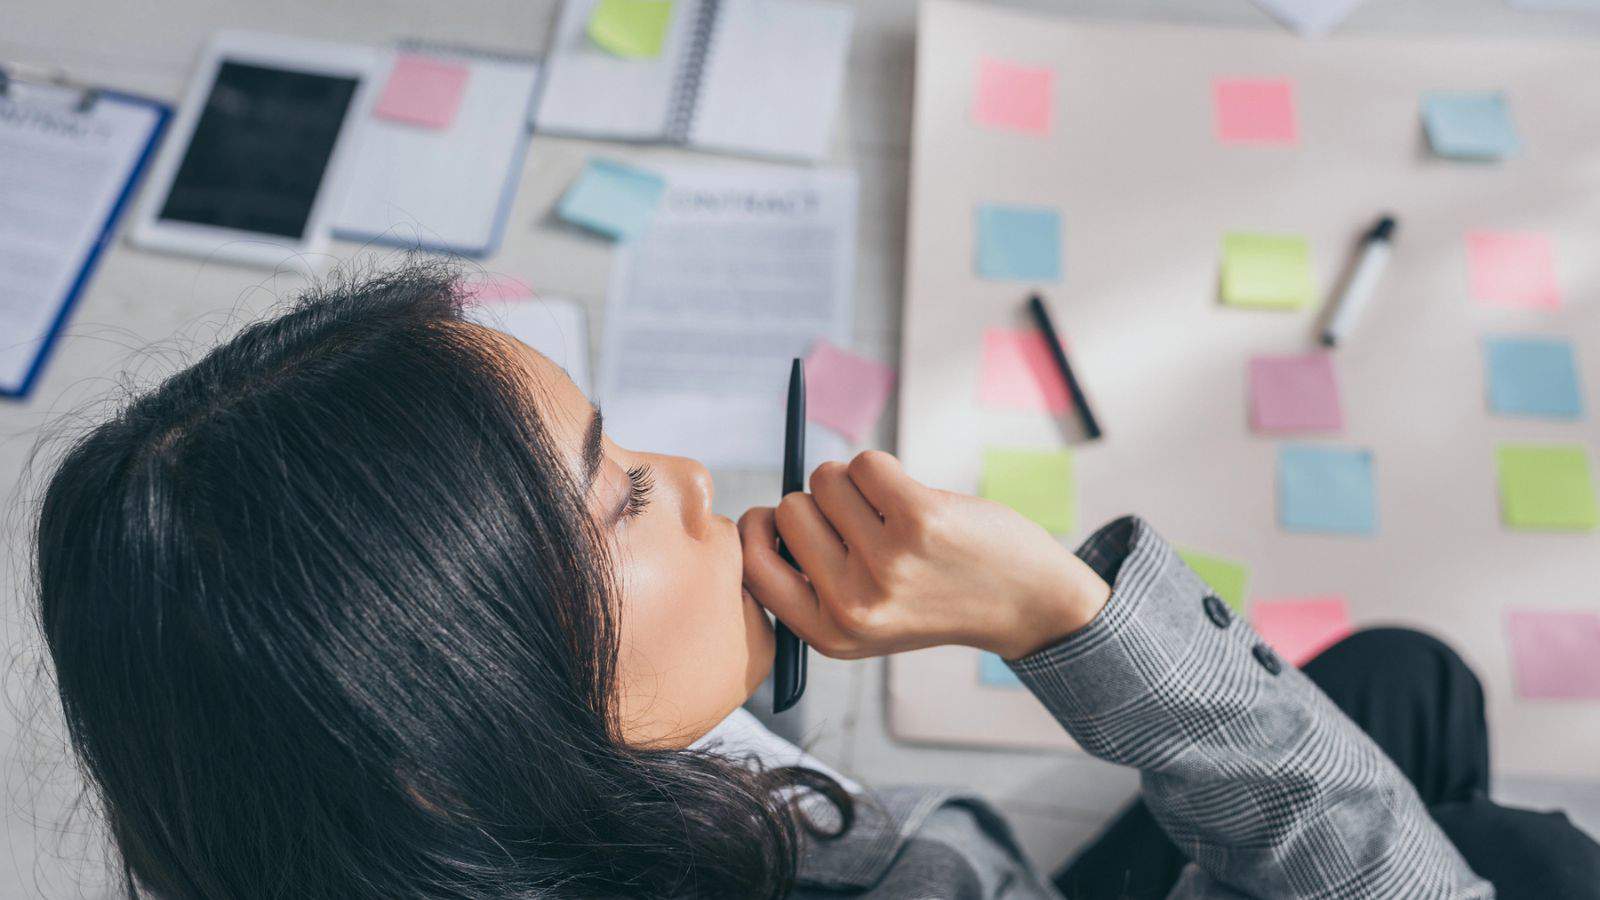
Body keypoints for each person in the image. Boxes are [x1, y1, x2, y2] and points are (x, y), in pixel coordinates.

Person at [28, 266, 1599, 899]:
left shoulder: (361, 820)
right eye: (627, 497)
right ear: (452, 723)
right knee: (1520, 859)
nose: (703, 481)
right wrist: (1071, 619)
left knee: (1402, 679)